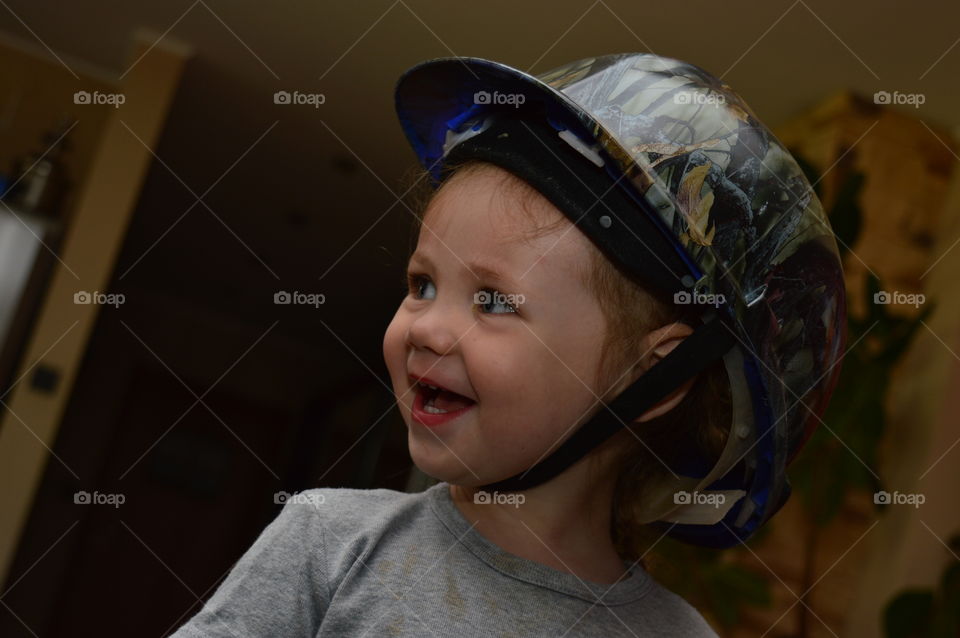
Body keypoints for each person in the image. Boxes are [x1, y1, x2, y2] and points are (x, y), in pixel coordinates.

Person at [169, 52, 846, 637]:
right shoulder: (331, 542)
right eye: (423, 284)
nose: (428, 327)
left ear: (659, 376)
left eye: (492, 301)